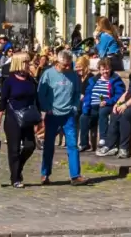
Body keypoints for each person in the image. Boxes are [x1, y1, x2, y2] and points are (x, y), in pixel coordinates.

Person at [38, 50, 86, 185]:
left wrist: (75, 107)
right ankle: (45, 174)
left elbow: (77, 93)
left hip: (69, 115)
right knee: (49, 145)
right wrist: (47, 108)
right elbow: (42, 93)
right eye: (65, 65)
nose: (67, 68)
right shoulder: (48, 74)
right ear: (57, 62)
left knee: (72, 145)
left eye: (69, 65)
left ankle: (75, 175)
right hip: (53, 115)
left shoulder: (74, 76)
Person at [0, 53, 40, 188]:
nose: (28, 64)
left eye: (28, 62)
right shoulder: (10, 81)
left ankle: (18, 167)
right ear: (19, 63)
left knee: (30, 146)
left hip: (27, 117)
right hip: (13, 118)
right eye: (25, 62)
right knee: (13, 149)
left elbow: (35, 99)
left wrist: (39, 117)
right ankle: (15, 178)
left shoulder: (31, 80)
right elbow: (3, 101)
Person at [84, 56, 125, 153]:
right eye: (102, 69)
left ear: (110, 68)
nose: (105, 71)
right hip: (93, 105)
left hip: (107, 105)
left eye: (107, 69)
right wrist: (86, 107)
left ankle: (103, 138)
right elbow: (88, 93)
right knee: (83, 117)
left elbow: (119, 95)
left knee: (103, 112)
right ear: (99, 70)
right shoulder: (94, 80)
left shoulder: (115, 80)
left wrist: (108, 102)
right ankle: (83, 143)